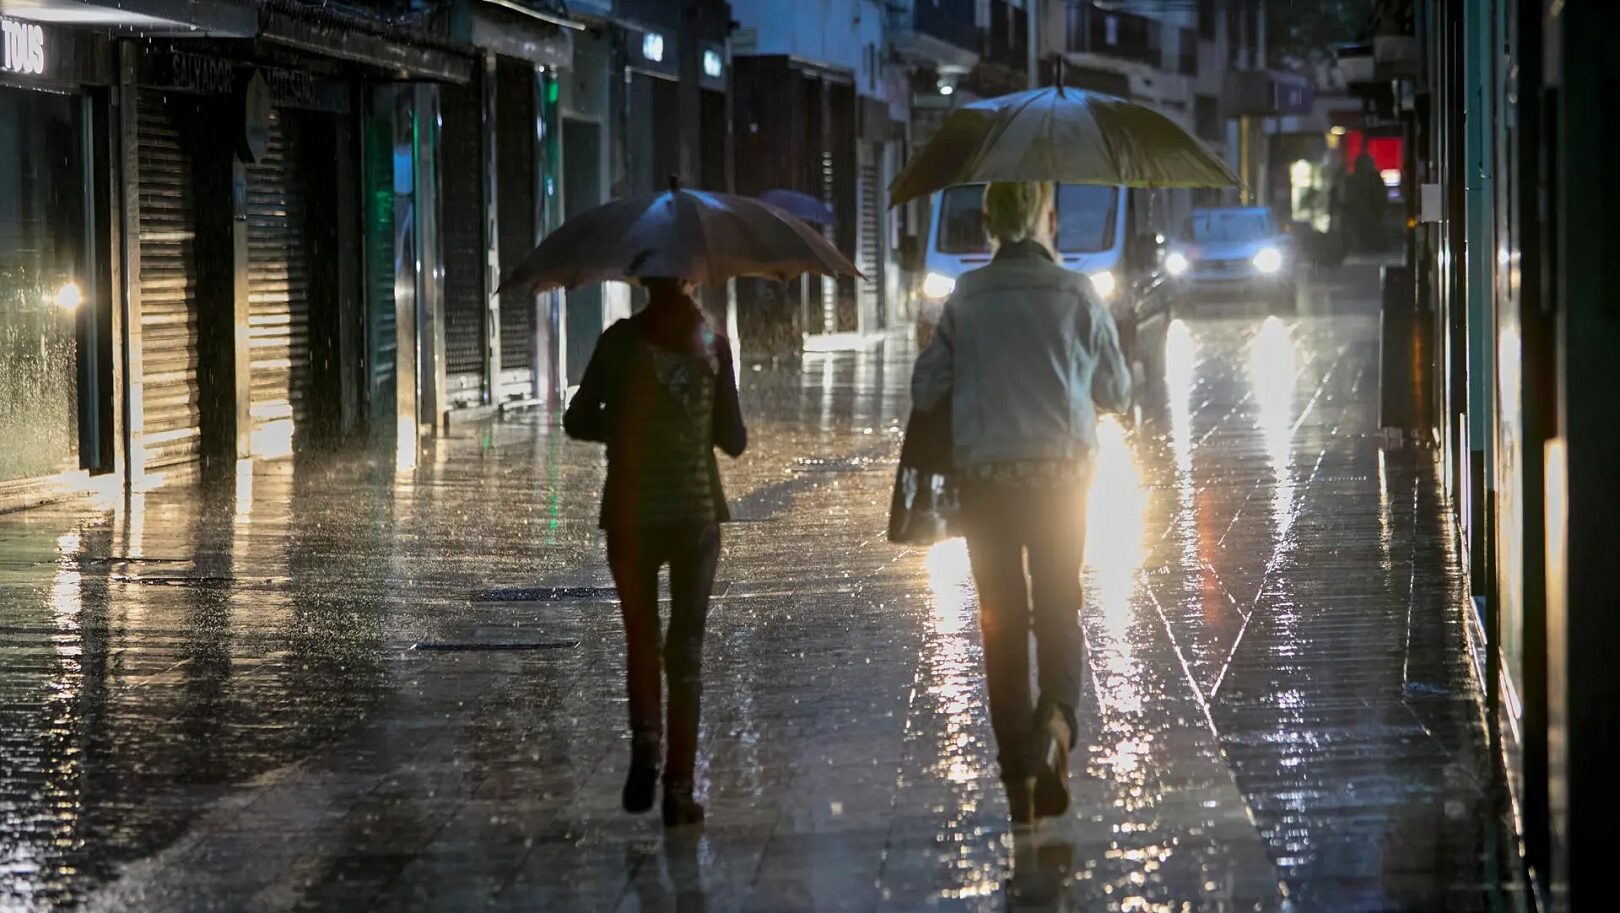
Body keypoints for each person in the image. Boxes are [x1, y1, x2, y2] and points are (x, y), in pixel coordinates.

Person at [911, 181, 1131, 826]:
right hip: (1063, 477)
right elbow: (1116, 389)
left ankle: (1017, 783)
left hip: (986, 481)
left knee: (1001, 624)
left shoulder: (966, 297)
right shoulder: (1076, 293)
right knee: (1059, 609)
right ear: (1047, 220)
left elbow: (927, 390)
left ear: (989, 223)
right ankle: (1057, 728)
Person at [564, 276, 747, 827]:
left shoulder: (618, 340)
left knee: (640, 635)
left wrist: (625, 422)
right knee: (684, 651)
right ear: (692, 279)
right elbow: (734, 439)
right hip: (694, 514)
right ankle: (680, 790)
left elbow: (576, 420)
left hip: (630, 510)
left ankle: (646, 739)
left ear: (643, 278)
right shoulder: (712, 344)